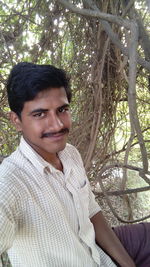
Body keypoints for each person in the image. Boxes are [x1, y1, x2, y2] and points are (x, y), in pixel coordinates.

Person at [0, 62, 149, 267]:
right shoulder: (10, 182)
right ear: (16, 121)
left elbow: (92, 212)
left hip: (99, 254)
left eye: (62, 109)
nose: (58, 124)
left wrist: (127, 264)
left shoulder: (70, 154)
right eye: (40, 114)